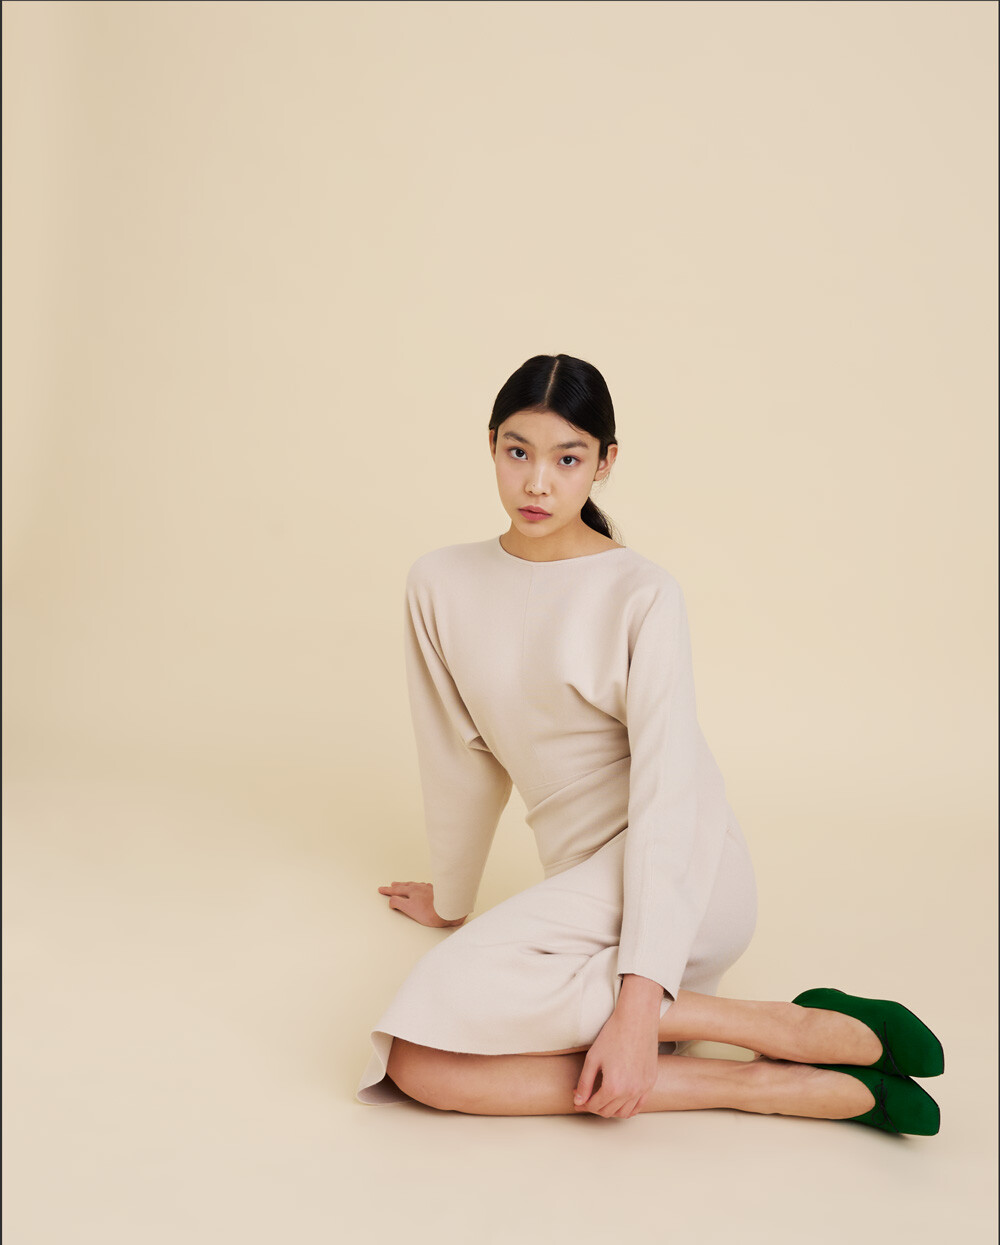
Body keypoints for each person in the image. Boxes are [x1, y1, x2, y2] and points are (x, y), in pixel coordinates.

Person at [355, 353, 943, 1133]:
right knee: (421, 1064)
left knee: (434, 1009)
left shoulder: (643, 591)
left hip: (686, 880)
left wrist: (638, 1001)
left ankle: (768, 1024)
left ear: (605, 462)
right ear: (491, 444)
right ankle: (757, 1075)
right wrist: (451, 897)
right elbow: (459, 757)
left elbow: (671, 789)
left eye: (568, 459)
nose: (538, 483)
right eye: (518, 451)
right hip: (586, 906)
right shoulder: (439, 582)